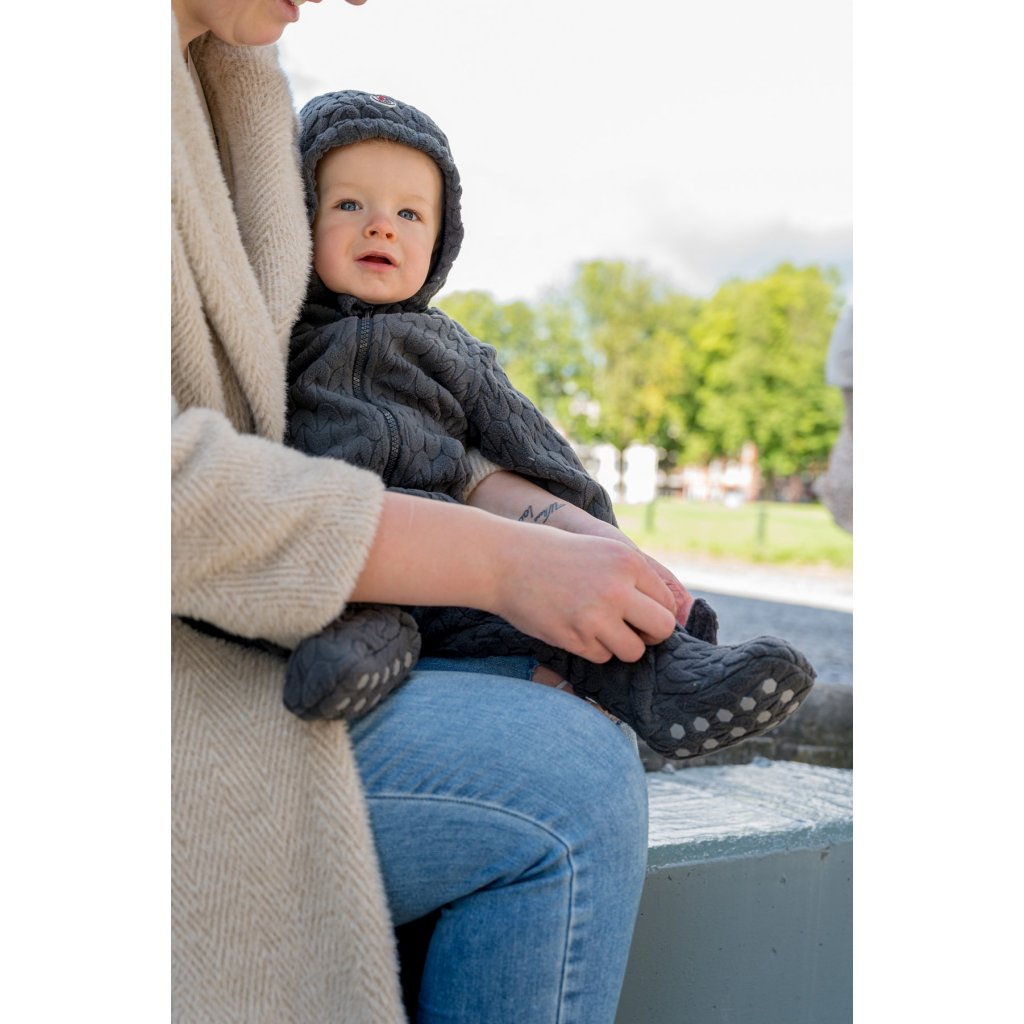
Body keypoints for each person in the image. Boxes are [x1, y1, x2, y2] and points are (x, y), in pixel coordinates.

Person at [172, 3, 696, 1022]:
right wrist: (496, 564)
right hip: (197, 679)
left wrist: (554, 530)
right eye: (351, 205)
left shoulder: (228, 81)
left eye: (411, 215)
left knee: (565, 697)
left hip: (244, 635)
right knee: (569, 784)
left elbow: (476, 450)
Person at [281, 89, 817, 760]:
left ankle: (672, 677)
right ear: (298, 214)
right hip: (332, 547)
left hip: (453, 546)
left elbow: (525, 439)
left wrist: (592, 535)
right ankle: (349, 655)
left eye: (409, 213)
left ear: (442, 242)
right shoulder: (277, 334)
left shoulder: (449, 348)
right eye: (349, 205)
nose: (381, 227)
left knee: (559, 616)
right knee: (340, 623)